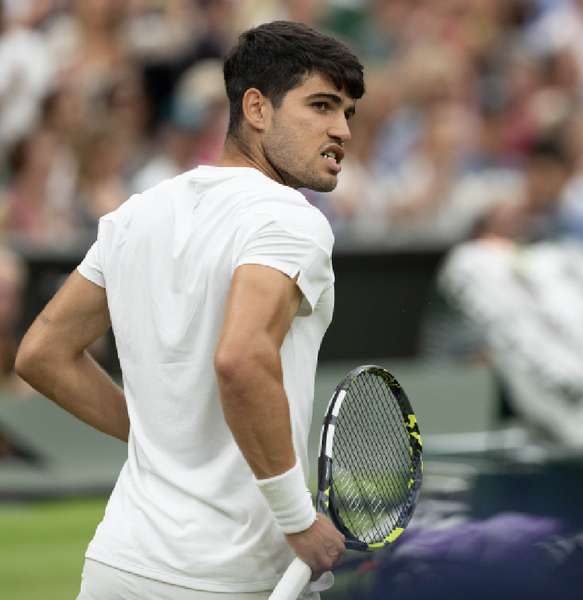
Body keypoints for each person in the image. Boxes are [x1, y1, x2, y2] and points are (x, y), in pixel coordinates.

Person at [14, 21, 364, 599]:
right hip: (227, 579)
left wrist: (154, 434)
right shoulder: (292, 219)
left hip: (118, 566)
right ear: (256, 107)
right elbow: (242, 360)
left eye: (348, 112)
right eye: (321, 106)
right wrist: (298, 519)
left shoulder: (136, 214)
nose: (341, 130)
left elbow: (42, 352)